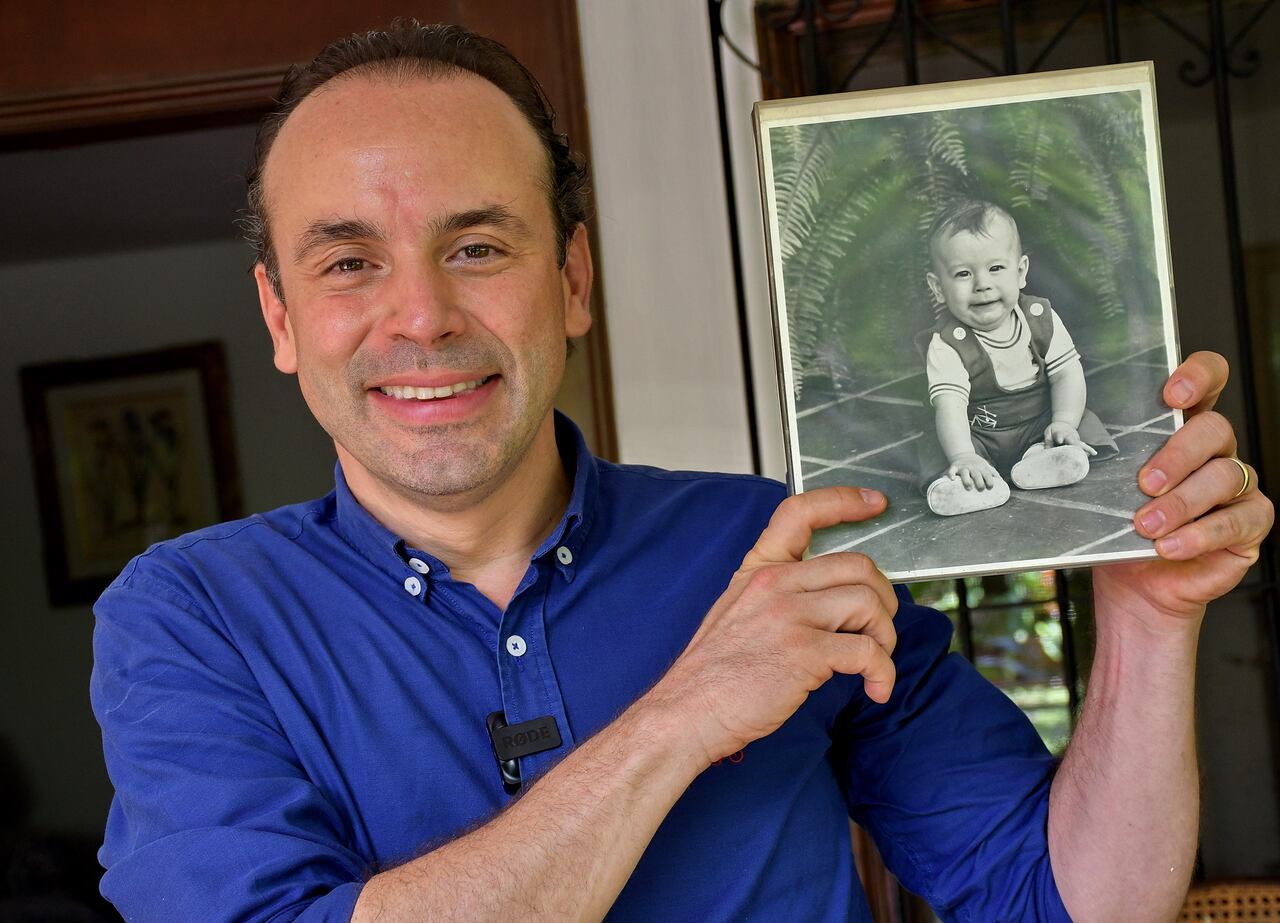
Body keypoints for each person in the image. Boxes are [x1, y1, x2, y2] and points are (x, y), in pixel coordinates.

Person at [89, 21, 1274, 923]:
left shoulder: (778, 548)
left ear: (572, 277)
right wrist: (688, 709)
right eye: (348, 261)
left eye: (476, 246)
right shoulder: (189, 618)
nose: (421, 315)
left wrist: (1146, 611)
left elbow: (1067, 900)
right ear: (281, 317)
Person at [920, 199, 1117, 517]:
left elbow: (1066, 374)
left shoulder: (1040, 317)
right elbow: (950, 405)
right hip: (979, 433)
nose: (982, 284)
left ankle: (1045, 455)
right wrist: (963, 454)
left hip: (1040, 422)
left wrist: (1063, 422)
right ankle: (965, 482)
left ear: (1021, 271)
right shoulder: (947, 345)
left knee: (1081, 421)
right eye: (963, 274)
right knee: (941, 450)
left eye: (995, 268)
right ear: (938, 287)